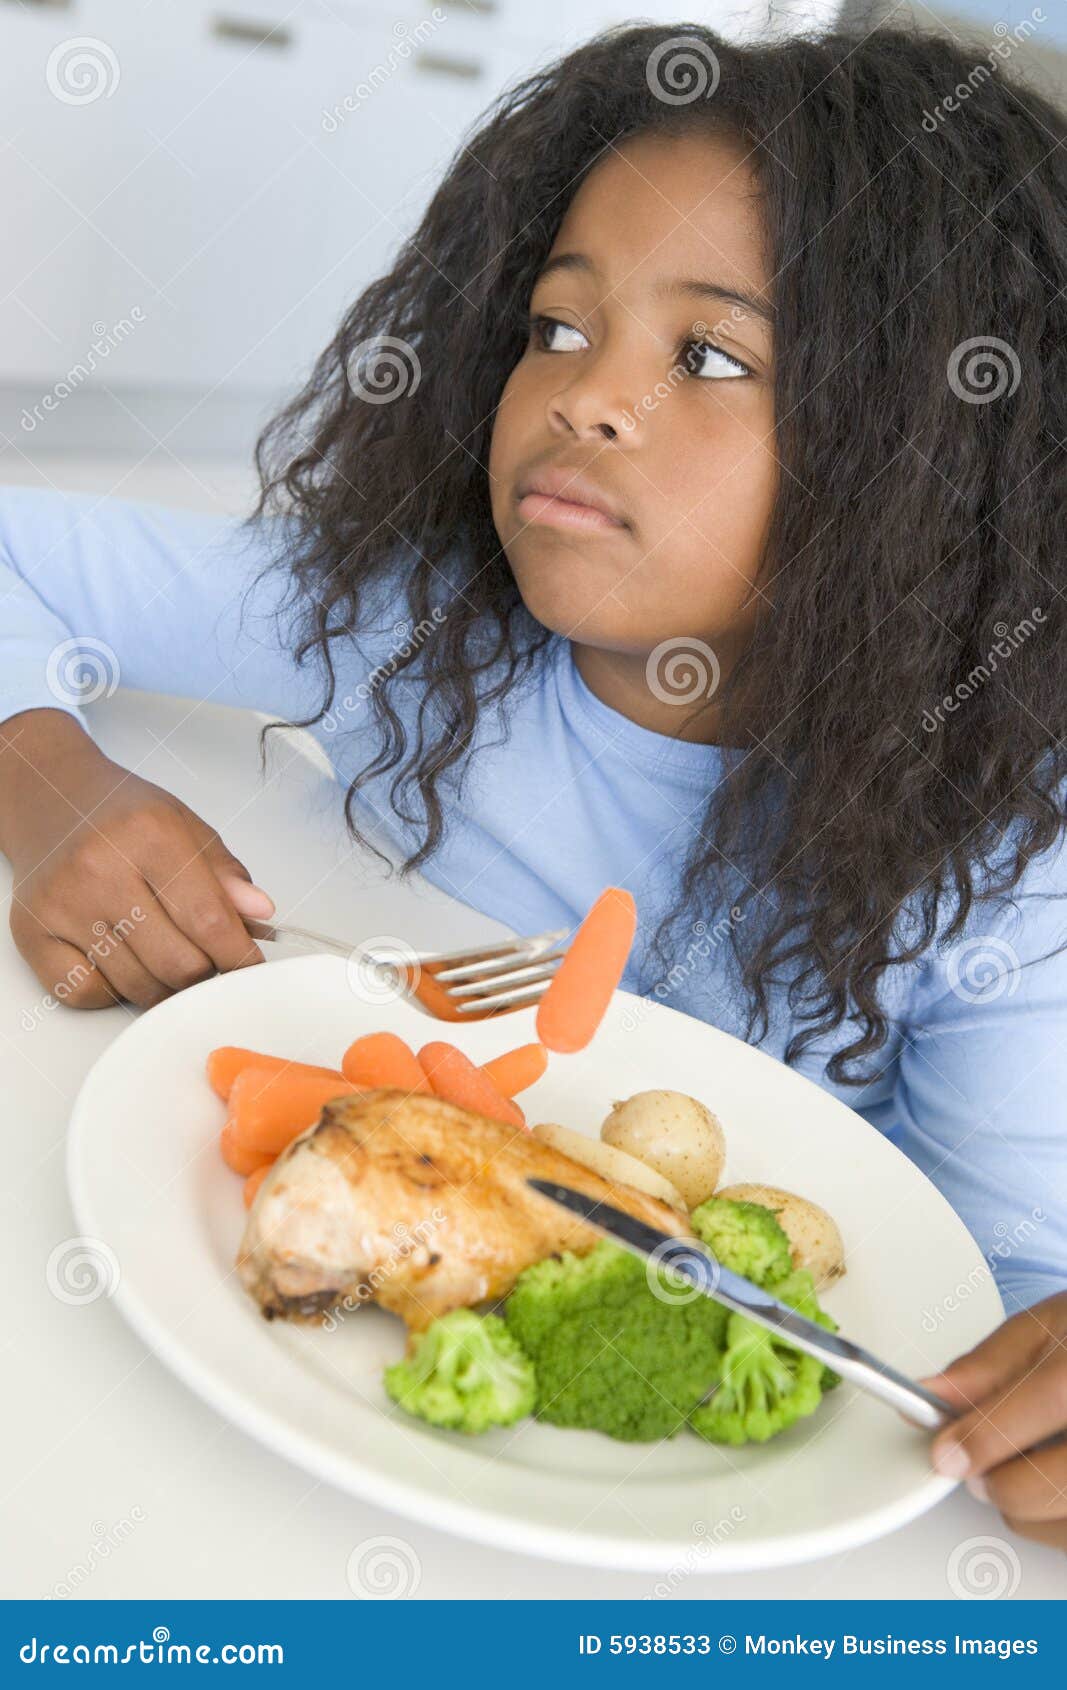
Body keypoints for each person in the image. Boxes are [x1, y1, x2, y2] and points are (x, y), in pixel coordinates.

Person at [1, 23, 1064, 1548]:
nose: (588, 396)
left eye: (709, 358)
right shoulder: (403, 626)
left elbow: (1010, 1297)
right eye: (558, 327)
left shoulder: (1005, 861)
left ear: (929, 461)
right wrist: (51, 785)